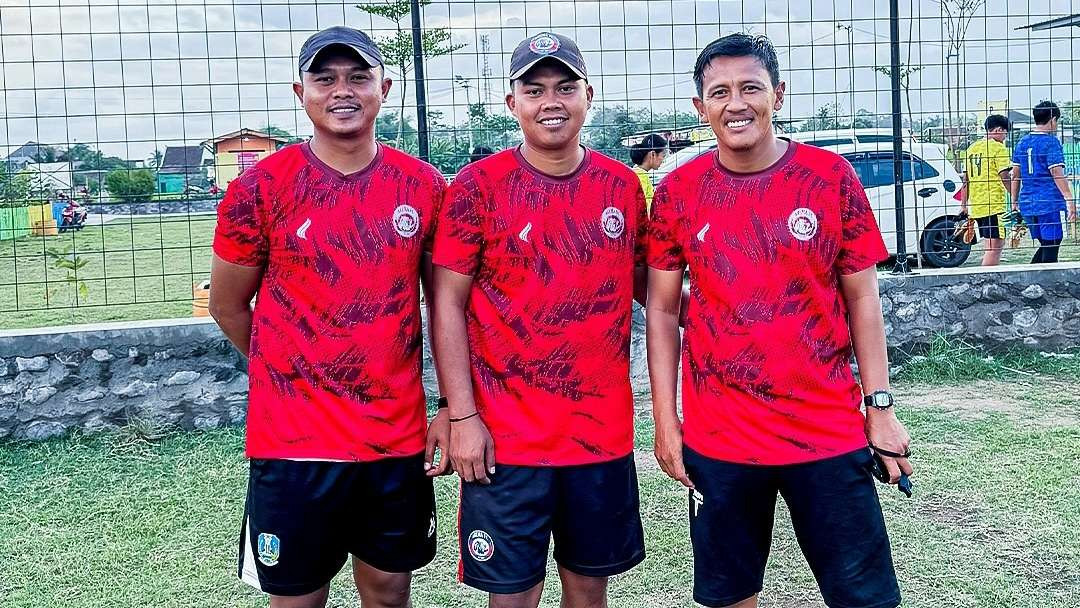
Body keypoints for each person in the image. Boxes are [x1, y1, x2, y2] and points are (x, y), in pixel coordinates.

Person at [646, 33, 912, 608]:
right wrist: (666, 423)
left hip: (826, 429)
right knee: (729, 593)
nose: (735, 103)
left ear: (778, 95)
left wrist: (881, 406)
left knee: (863, 596)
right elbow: (664, 310)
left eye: (751, 88)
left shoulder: (829, 177)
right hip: (721, 436)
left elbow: (864, 299)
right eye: (719, 92)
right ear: (700, 107)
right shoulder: (677, 193)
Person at [208, 26, 449, 608]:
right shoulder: (258, 189)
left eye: (358, 76)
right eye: (325, 78)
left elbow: (445, 308)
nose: (343, 90)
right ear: (300, 92)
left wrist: (447, 407)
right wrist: (288, 367)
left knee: (390, 590)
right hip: (292, 441)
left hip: (394, 439)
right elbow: (228, 304)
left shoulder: (424, 186)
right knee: (296, 597)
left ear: (384, 88)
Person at [432, 31, 647, 608]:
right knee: (511, 596)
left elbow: (660, 294)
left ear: (588, 95)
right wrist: (463, 415)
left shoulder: (624, 188)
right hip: (505, 440)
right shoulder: (477, 188)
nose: (551, 100)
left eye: (564, 86)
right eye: (534, 89)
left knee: (588, 591)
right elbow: (446, 304)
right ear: (512, 104)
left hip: (598, 437)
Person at [1010, 101, 1078, 264]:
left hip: (1028, 204)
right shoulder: (1051, 142)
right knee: (1052, 245)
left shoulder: (1022, 142)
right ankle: (1044, 285)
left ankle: (1032, 280)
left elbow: (1015, 175)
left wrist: (1014, 201)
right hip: (1048, 203)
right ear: (1053, 119)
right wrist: (1069, 199)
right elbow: (1056, 172)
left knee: (1047, 245)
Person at [961, 114, 1012, 266]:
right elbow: (1004, 175)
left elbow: (966, 180)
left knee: (989, 246)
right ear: (998, 130)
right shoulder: (998, 148)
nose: (1005, 137)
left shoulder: (972, 148)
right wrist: (1015, 196)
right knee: (996, 247)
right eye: (1005, 133)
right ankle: (986, 280)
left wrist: (963, 205)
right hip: (993, 205)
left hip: (977, 205)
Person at [630, 133, 668, 213]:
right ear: (653, 154)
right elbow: (648, 211)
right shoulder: (641, 178)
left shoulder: (636, 173)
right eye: (663, 156)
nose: (663, 160)